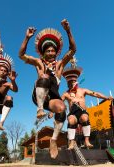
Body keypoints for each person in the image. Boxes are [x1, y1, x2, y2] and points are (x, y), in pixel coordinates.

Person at [19, 19, 76, 159]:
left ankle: (54, 139)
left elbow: (73, 50)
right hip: (39, 95)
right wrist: (27, 38)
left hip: (52, 98)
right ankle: (39, 109)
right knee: (44, 77)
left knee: (62, 109)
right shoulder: (39, 63)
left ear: (56, 52)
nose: (51, 52)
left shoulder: (60, 65)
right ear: (43, 53)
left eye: (53, 51)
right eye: (48, 50)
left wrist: (68, 31)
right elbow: (21, 55)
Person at [61, 57, 113, 149]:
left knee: (85, 118)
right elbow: (59, 102)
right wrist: (52, 111)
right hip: (73, 113)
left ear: (76, 82)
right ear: (67, 83)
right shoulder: (66, 94)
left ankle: (86, 141)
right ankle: (72, 142)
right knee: (70, 120)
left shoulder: (83, 90)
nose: (71, 83)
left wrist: (106, 97)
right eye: (69, 82)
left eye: (73, 82)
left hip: (82, 112)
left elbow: (95, 93)